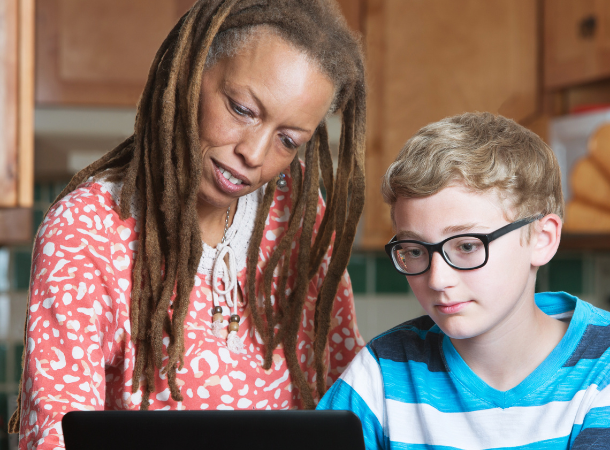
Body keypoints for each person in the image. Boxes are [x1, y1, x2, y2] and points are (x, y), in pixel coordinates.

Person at [11, 0, 367, 448]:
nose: (254, 154)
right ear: (190, 73)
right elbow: (54, 434)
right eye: (242, 109)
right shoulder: (86, 230)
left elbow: (351, 396)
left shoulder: (297, 212)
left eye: (288, 140)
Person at [318, 112, 610, 449]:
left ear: (542, 238)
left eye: (467, 246)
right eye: (415, 250)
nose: (437, 279)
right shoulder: (385, 367)